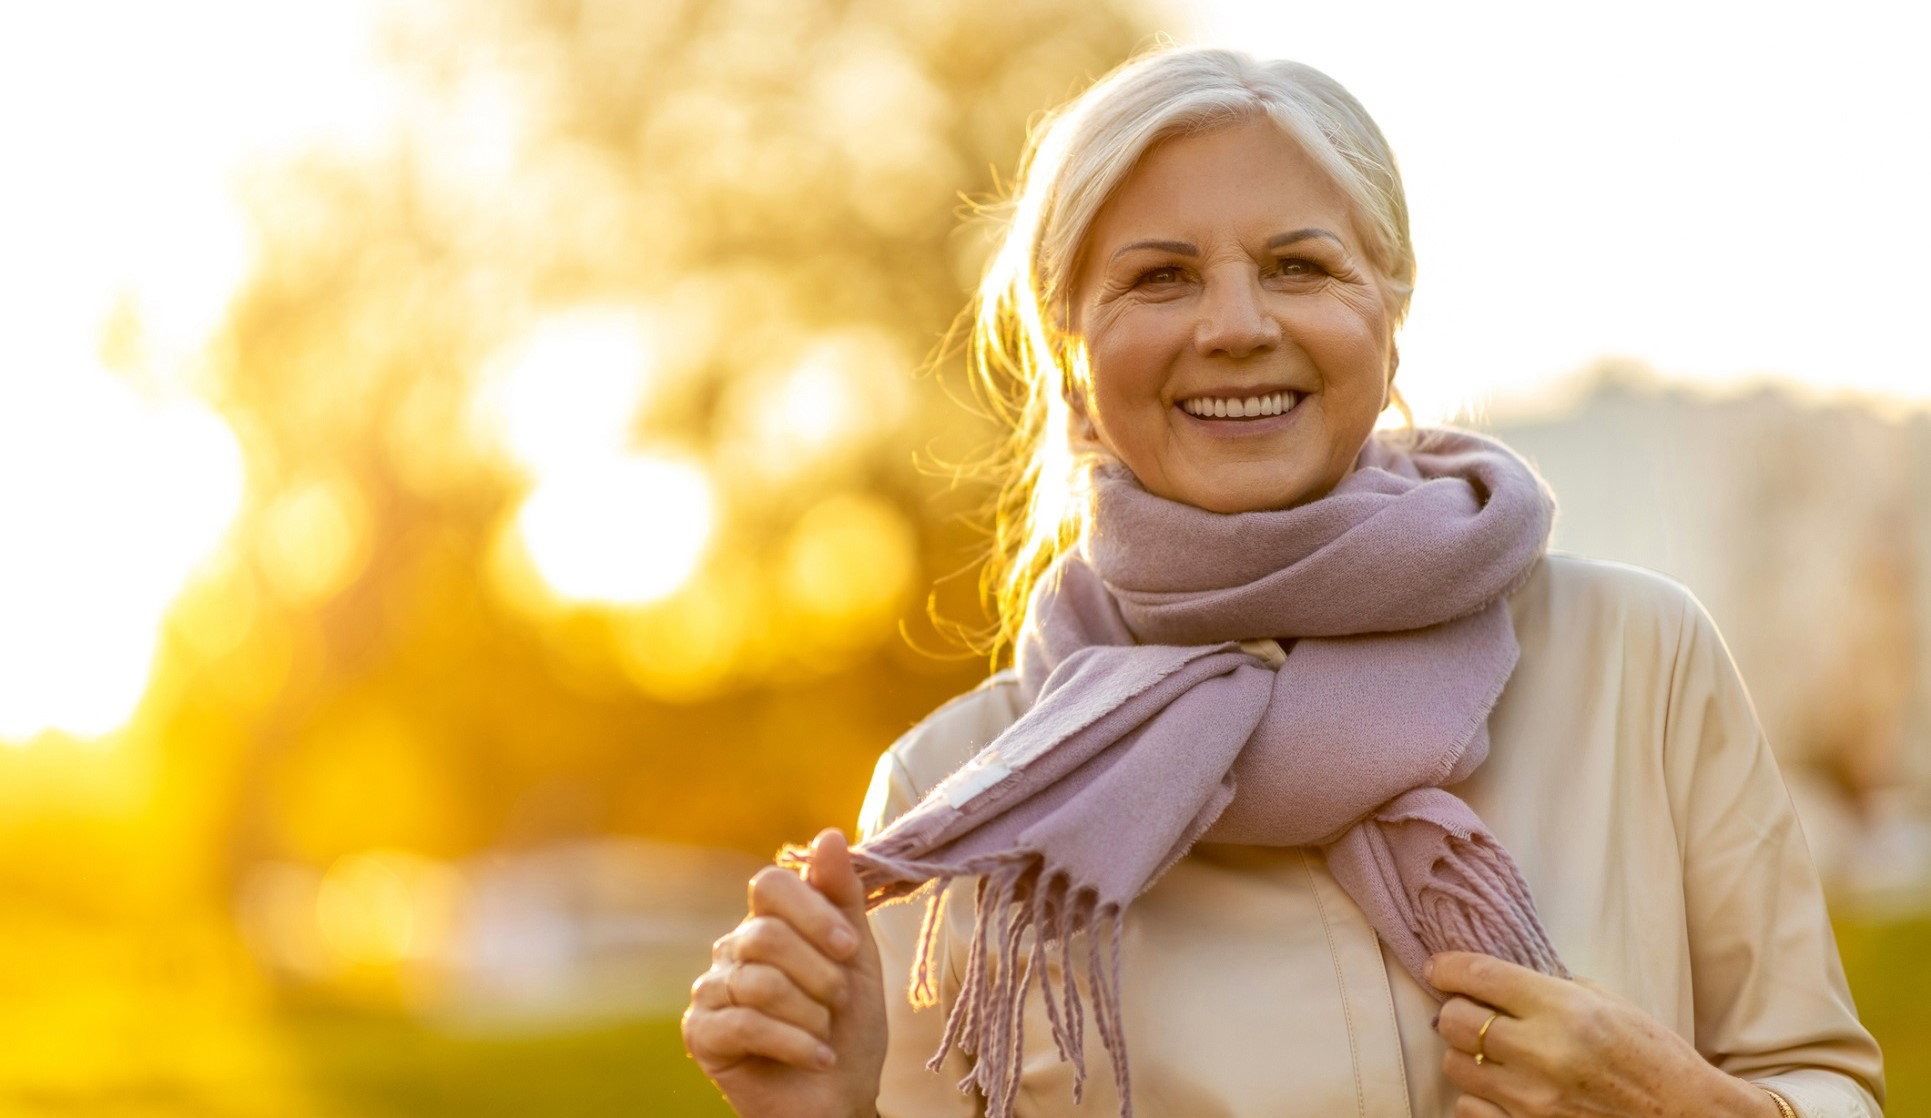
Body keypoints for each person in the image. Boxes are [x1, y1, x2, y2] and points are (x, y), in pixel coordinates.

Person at [681, 46, 1886, 1117]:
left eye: (1296, 265)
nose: (1234, 324)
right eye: (1159, 279)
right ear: (1071, 349)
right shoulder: (962, 791)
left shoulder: (1636, 658)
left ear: (1388, 311)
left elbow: (1823, 1077)